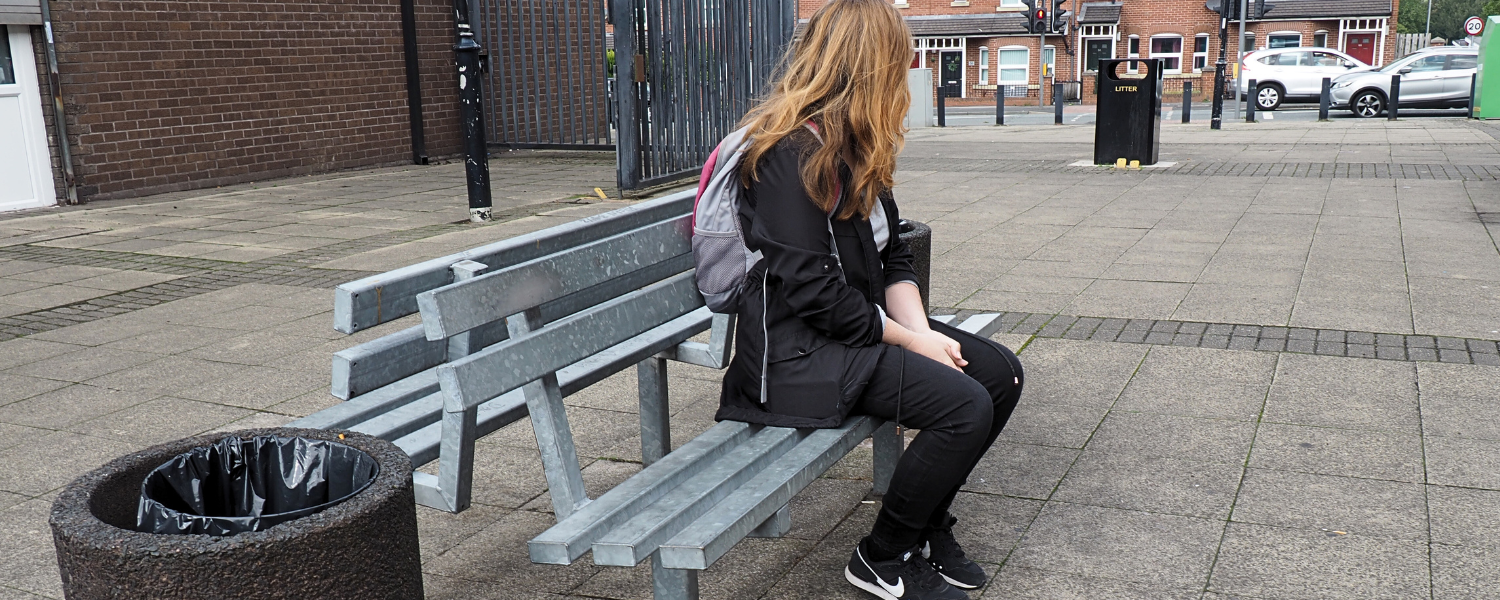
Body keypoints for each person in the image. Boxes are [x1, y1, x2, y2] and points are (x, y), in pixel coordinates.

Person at [712, 1, 1025, 598]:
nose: (906, 72)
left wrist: (924, 335)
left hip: (852, 333)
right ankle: (881, 555)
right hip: (796, 354)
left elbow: (894, 258)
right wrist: (913, 339)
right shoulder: (785, 154)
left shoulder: (854, 144)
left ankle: (926, 526)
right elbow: (815, 295)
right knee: (963, 407)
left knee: (1000, 375)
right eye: (896, 60)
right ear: (865, 67)